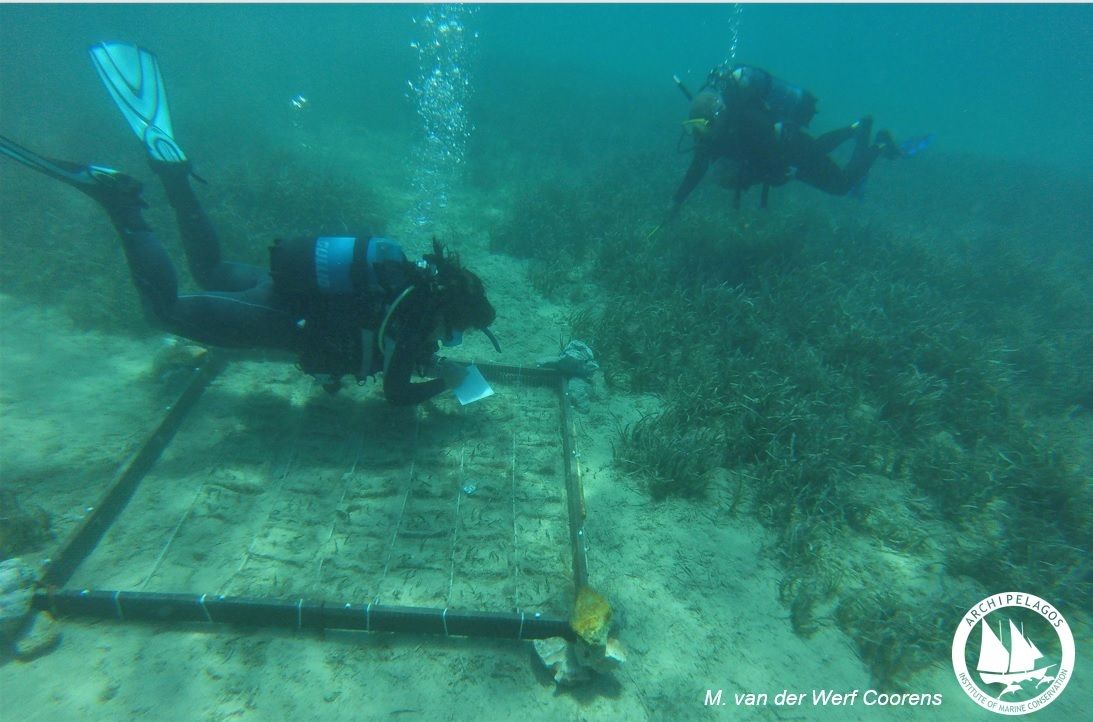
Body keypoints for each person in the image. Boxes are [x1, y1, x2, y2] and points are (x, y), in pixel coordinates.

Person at [0, 42, 498, 406]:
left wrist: (428, 359)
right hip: (276, 317)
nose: (450, 339)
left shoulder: (408, 286)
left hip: (280, 288)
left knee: (211, 268)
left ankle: (173, 175)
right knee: (166, 312)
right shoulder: (414, 321)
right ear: (453, 316)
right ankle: (122, 205)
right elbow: (395, 395)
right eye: (457, 333)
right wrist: (447, 381)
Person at [669, 63, 911, 215]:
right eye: (694, 127)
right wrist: (676, 202)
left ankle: (880, 145)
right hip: (788, 149)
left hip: (789, 148)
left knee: (841, 185)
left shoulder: (749, 120)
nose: (700, 134)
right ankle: (858, 128)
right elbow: (698, 165)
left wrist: (785, 174)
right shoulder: (711, 131)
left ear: (719, 116)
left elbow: (775, 163)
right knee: (816, 148)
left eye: (703, 127)